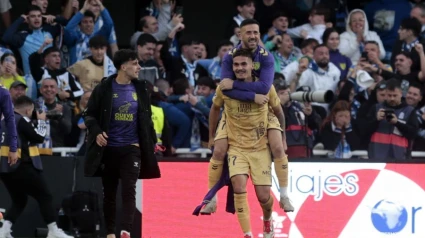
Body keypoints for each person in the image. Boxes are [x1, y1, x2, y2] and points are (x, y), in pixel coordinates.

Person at [202, 19, 294, 215]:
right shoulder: (229, 57)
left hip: (263, 111)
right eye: (248, 33)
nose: (253, 36)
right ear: (239, 35)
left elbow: (263, 88)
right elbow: (225, 90)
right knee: (218, 151)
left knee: (278, 147)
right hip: (235, 112)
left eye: (256, 32)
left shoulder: (266, 57)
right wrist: (252, 95)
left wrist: (235, 86)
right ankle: (211, 199)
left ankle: (284, 195)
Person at [82, 49, 160, 238]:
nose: (139, 67)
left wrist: (152, 142)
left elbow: (146, 118)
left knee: (129, 189)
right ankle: (109, 233)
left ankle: (125, 230)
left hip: (131, 148)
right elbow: (89, 114)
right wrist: (97, 131)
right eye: (135, 63)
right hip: (108, 148)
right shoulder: (104, 88)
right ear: (123, 66)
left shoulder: (141, 88)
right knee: (109, 193)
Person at [210, 48, 279, 238]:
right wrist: (210, 136)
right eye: (236, 64)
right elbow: (215, 109)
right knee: (239, 186)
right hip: (237, 147)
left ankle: (267, 219)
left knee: (264, 197)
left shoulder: (266, 87)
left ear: (251, 66)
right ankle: (247, 233)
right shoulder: (224, 87)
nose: (240, 68)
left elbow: (278, 110)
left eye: (243, 64)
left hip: (259, 148)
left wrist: (282, 138)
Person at [0, 95, 72, 238]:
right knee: (45, 196)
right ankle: (53, 231)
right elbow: (38, 137)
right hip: (21, 166)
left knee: (19, 200)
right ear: (28, 110)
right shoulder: (19, 120)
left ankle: (3, 230)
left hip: (5, 169)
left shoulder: (5, 120)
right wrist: (41, 121)